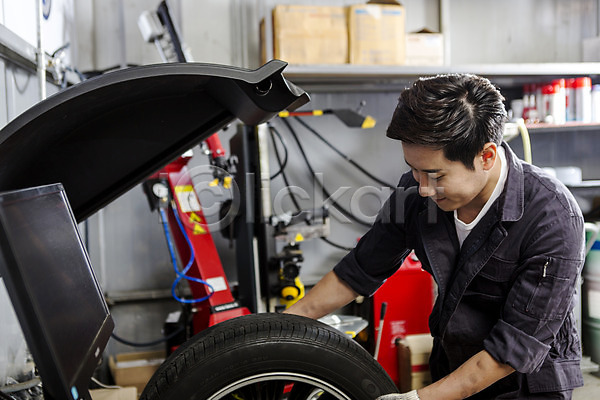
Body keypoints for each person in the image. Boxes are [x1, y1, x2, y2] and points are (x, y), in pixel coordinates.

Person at [284, 74, 585, 399]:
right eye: (414, 169)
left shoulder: (551, 217)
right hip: (453, 366)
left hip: (528, 384)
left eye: (436, 175)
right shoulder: (416, 194)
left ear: (486, 156)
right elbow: (359, 270)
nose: (423, 188)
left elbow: (515, 347)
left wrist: (417, 398)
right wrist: (278, 327)